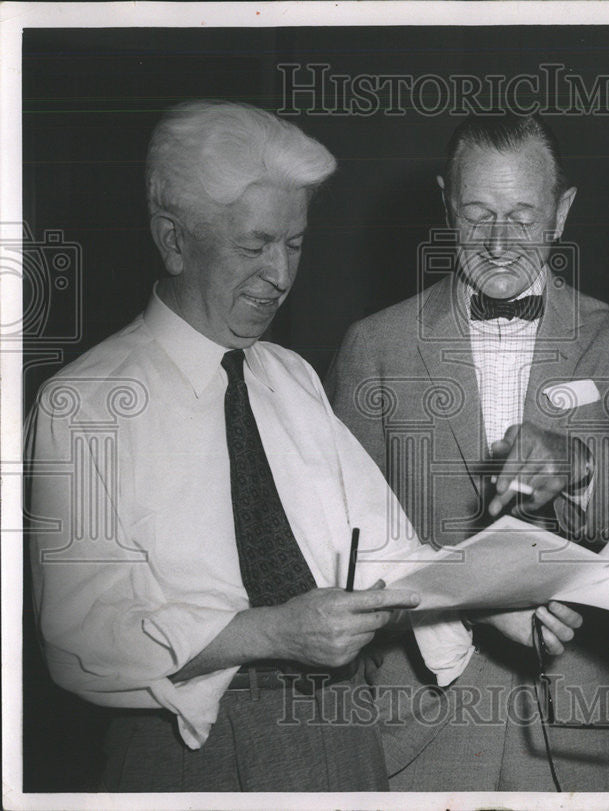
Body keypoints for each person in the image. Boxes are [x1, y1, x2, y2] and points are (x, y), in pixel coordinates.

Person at [26, 99, 474, 792]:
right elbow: (81, 639)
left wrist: (506, 588)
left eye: (294, 244)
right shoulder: (82, 405)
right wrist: (274, 632)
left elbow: (393, 553)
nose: (281, 275)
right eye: (254, 246)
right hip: (189, 756)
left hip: (342, 742)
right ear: (173, 239)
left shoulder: (290, 377)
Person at [327, 112, 609, 791]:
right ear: (445, 204)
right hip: (418, 728)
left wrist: (578, 467)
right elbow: (337, 552)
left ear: (562, 212)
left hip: (578, 738)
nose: (497, 242)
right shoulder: (374, 347)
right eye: (477, 213)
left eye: (522, 215)